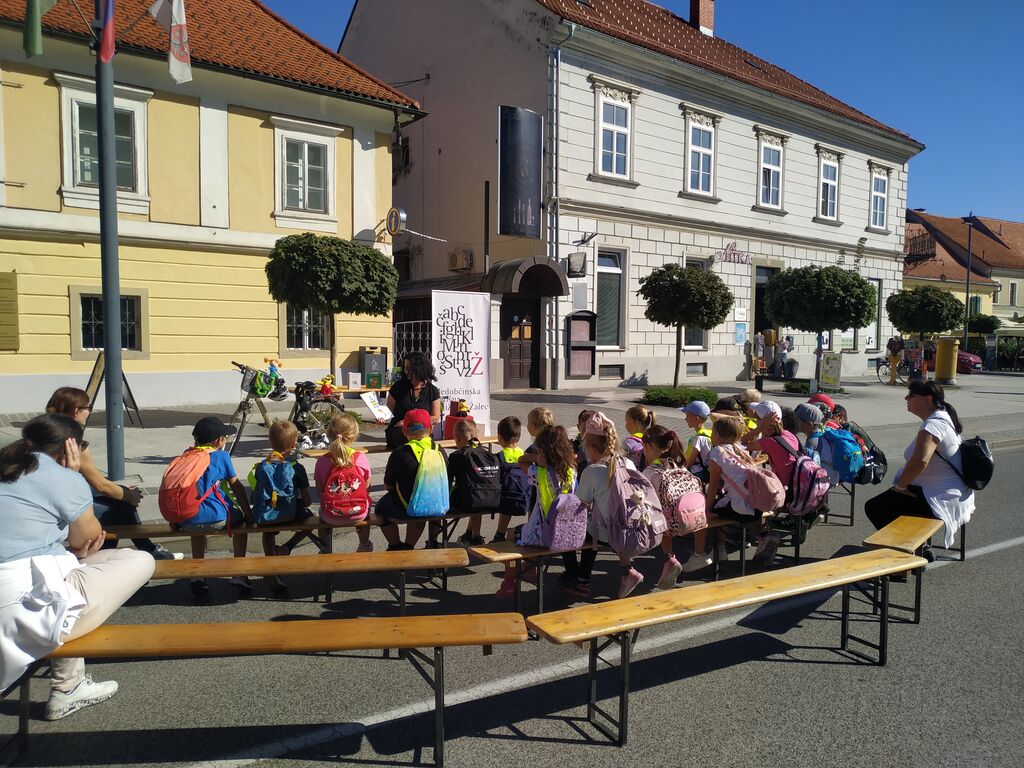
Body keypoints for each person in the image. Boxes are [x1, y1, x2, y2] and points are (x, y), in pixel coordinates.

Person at [0, 414, 154, 719]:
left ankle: (69, 684)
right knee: (141, 560)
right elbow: (89, 539)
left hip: (19, 590)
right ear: (72, 446)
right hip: (24, 611)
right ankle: (69, 688)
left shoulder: (8, 465)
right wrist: (71, 476)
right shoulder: (63, 478)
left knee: (75, 568)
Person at [44, 387, 180, 561]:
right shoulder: (74, 444)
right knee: (120, 509)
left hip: (47, 499)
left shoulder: (45, 434)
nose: (89, 412)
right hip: (58, 508)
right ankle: (141, 551)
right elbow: (101, 485)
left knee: (118, 502)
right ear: (76, 411)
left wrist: (123, 491)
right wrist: (129, 496)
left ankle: (136, 551)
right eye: (88, 408)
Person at [864, 381, 974, 550]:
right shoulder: (943, 418)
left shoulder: (933, 425)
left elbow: (921, 460)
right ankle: (913, 548)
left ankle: (909, 551)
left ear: (927, 399)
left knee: (876, 508)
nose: (906, 398)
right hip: (950, 492)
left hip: (941, 498)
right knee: (887, 502)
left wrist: (901, 486)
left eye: (911, 395)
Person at [166, 417, 253, 597]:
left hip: (186, 518)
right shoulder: (221, 456)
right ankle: (239, 573)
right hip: (217, 517)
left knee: (196, 522)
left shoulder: (186, 456)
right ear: (219, 440)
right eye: (225, 437)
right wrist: (248, 514)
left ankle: (198, 575)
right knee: (241, 524)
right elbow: (236, 487)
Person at [571, 412, 646, 599]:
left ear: (590, 446)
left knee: (579, 528)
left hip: (607, 534)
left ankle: (580, 580)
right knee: (605, 519)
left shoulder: (592, 471)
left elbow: (579, 506)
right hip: (631, 529)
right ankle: (626, 571)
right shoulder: (627, 463)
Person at [501, 425, 576, 598]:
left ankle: (509, 581)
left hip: (542, 534)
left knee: (510, 535)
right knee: (526, 539)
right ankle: (529, 566)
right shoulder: (571, 471)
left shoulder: (539, 472)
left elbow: (521, 460)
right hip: (565, 531)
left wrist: (535, 458)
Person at [248, 421, 313, 592]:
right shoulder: (297, 468)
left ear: (270, 442)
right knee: (311, 519)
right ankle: (287, 547)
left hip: (266, 515)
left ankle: (270, 561)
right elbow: (307, 501)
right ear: (294, 444)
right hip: (291, 514)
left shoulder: (261, 467)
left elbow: (253, 497)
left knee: (268, 529)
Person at [705, 416, 778, 566]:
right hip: (757, 501)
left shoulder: (718, 452)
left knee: (715, 509)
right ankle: (763, 535)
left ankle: (720, 549)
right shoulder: (739, 449)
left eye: (712, 432)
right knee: (733, 504)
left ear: (717, 435)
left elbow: (713, 485)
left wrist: (707, 509)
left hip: (742, 506)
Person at [641, 424, 707, 585]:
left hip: (668, 526)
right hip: (693, 519)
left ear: (648, 446)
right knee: (663, 512)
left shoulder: (650, 472)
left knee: (655, 514)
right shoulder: (681, 467)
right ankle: (699, 553)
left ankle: (669, 558)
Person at [377, 409, 448, 550]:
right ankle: (414, 544)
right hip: (439, 505)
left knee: (380, 508)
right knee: (423, 503)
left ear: (404, 431)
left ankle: (395, 545)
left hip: (409, 507)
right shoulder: (440, 450)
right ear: (431, 429)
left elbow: (388, 486)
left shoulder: (399, 453)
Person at [313, 412, 374, 553]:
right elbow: (367, 488)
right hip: (358, 513)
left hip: (331, 515)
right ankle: (364, 544)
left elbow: (320, 492)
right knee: (367, 510)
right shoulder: (360, 458)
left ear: (329, 434)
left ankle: (325, 548)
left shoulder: (322, 461)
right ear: (354, 435)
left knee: (321, 515)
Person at [449, 420, 500, 546]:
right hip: (492, 499)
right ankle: (474, 535)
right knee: (475, 492)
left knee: (469, 493)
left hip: (468, 502)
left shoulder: (457, 456)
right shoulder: (489, 455)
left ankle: (434, 542)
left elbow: (447, 482)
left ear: (457, 438)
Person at [385, 352, 441, 450]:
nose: (406, 371)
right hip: (400, 432)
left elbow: (435, 418)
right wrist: (382, 417)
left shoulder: (432, 391)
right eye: (405, 368)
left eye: (409, 368)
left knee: (424, 440)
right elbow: (388, 411)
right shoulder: (398, 387)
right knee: (409, 440)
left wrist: (409, 421)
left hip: (422, 432)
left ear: (419, 368)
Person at [491, 416, 527, 543]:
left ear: (499, 437)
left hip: (503, 499)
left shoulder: (499, 457)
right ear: (519, 437)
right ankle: (500, 533)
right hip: (523, 498)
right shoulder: (524, 455)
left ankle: (475, 534)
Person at [679, 400, 712, 481]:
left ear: (697, 419)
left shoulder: (699, 438)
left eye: (687, 416)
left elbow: (690, 462)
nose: (685, 419)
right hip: (706, 470)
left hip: (698, 472)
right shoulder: (709, 433)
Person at [622, 405, 656, 471]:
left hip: (631, 476)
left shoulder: (628, 443)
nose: (625, 425)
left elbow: (618, 463)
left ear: (632, 421)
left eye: (626, 421)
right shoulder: (652, 439)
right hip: (648, 474)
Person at [572, 409, 595, 473]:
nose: (587, 433)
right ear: (578, 427)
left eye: (591, 429)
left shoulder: (601, 447)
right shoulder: (574, 446)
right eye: (584, 429)